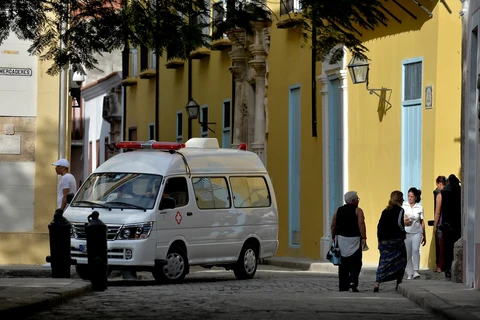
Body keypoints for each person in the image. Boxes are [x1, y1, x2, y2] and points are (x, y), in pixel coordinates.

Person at [331, 191, 367, 292]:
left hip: (341, 239)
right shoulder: (358, 210)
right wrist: (364, 237)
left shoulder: (338, 210)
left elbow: (333, 224)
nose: (358, 201)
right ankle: (353, 281)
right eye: (357, 199)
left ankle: (343, 286)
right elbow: (361, 223)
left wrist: (333, 236)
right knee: (356, 262)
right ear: (354, 200)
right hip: (355, 239)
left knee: (342, 264)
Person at [374, 191, 407, 292]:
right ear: (400, 199)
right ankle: (398, 284)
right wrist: (403, 232)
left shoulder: (385, 211)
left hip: (384, 240)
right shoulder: (400, 210)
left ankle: (377, 283)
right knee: (401, 261)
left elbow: (379, 226)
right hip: (396, 239)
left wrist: (379, 239)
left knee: (383, 261)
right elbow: (399, 224)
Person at [435, 174, 461, 278]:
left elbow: (438, 212)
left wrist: (436, 226)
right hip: (455, 223)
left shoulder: (443, 193)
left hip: (447, 224)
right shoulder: (456, 191)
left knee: (446, 248)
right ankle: (448, 268)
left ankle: (447, 268)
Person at [402, 187, 425, 280]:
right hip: (407, 232)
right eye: (409, 196)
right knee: (407, 253)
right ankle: (409, 272)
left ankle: (416, 271)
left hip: (417, 232)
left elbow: (422, 222)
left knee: (416, 250)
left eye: (412, 196)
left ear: (416, 197)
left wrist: (424, 235)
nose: (410, 198)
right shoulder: (403, 206)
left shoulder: (420, 208)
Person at [433, 176, 447, 273]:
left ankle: (439, 266)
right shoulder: (452, 193)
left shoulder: (440, 195)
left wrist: (434, 225)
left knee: (440, 246)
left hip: (442, 224)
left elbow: (437, 212)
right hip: (451, 223)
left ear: (439, 183)